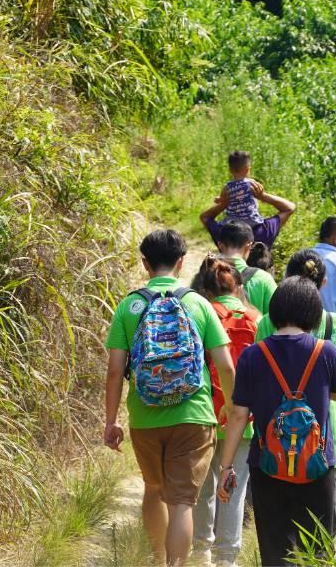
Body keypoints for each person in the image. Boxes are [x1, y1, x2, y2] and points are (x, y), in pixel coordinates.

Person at [104, 230, 235, 567]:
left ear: (145, 263)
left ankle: (157, 560)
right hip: (194, 414)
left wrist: (111, 420)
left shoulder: (129, 306)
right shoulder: (198, 303)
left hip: (145, 416)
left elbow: (115, 371)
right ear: (181, 262)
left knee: (153, 488)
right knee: (181, 503)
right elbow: (225, 364)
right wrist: (232, 408)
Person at [218, 277, 336, 566]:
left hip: (268, 465)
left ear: (274, 312)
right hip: (317, 465)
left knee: (276, 549)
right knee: (318, 548)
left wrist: (226, 467)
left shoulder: (253, 355)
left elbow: (239, 415)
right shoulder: (326, 351)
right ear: (314, 313)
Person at [253, 251, 336, 536]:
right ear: (324, 282)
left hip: (275, 435)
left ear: (285, 279)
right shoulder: (335, 325)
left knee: (282, 527)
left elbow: (258, 373)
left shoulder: (266, 322)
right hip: (324, 438)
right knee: (322, 527)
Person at [190, 256, 260, 567]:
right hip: (243, 417)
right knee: (234, 487)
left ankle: (200, 552)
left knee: (203, 487)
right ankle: (227, 559)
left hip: (205, 413)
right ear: (239, 288)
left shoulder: (203, 315)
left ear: (206, 291)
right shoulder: (255, 319)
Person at [200, 151, 296, 249]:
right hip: (253, 222)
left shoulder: (227, 187)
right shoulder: (251, 184)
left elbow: (207, 215)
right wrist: (263, 196)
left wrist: (222, 204)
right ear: (247, 169)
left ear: (230, 170)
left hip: (231, 223)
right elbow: (290, 208)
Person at [214, 220, 278, 315]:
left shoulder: (207, 275)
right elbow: (277, 317)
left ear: (220, 245)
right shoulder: (264, 278)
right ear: (248, 246)